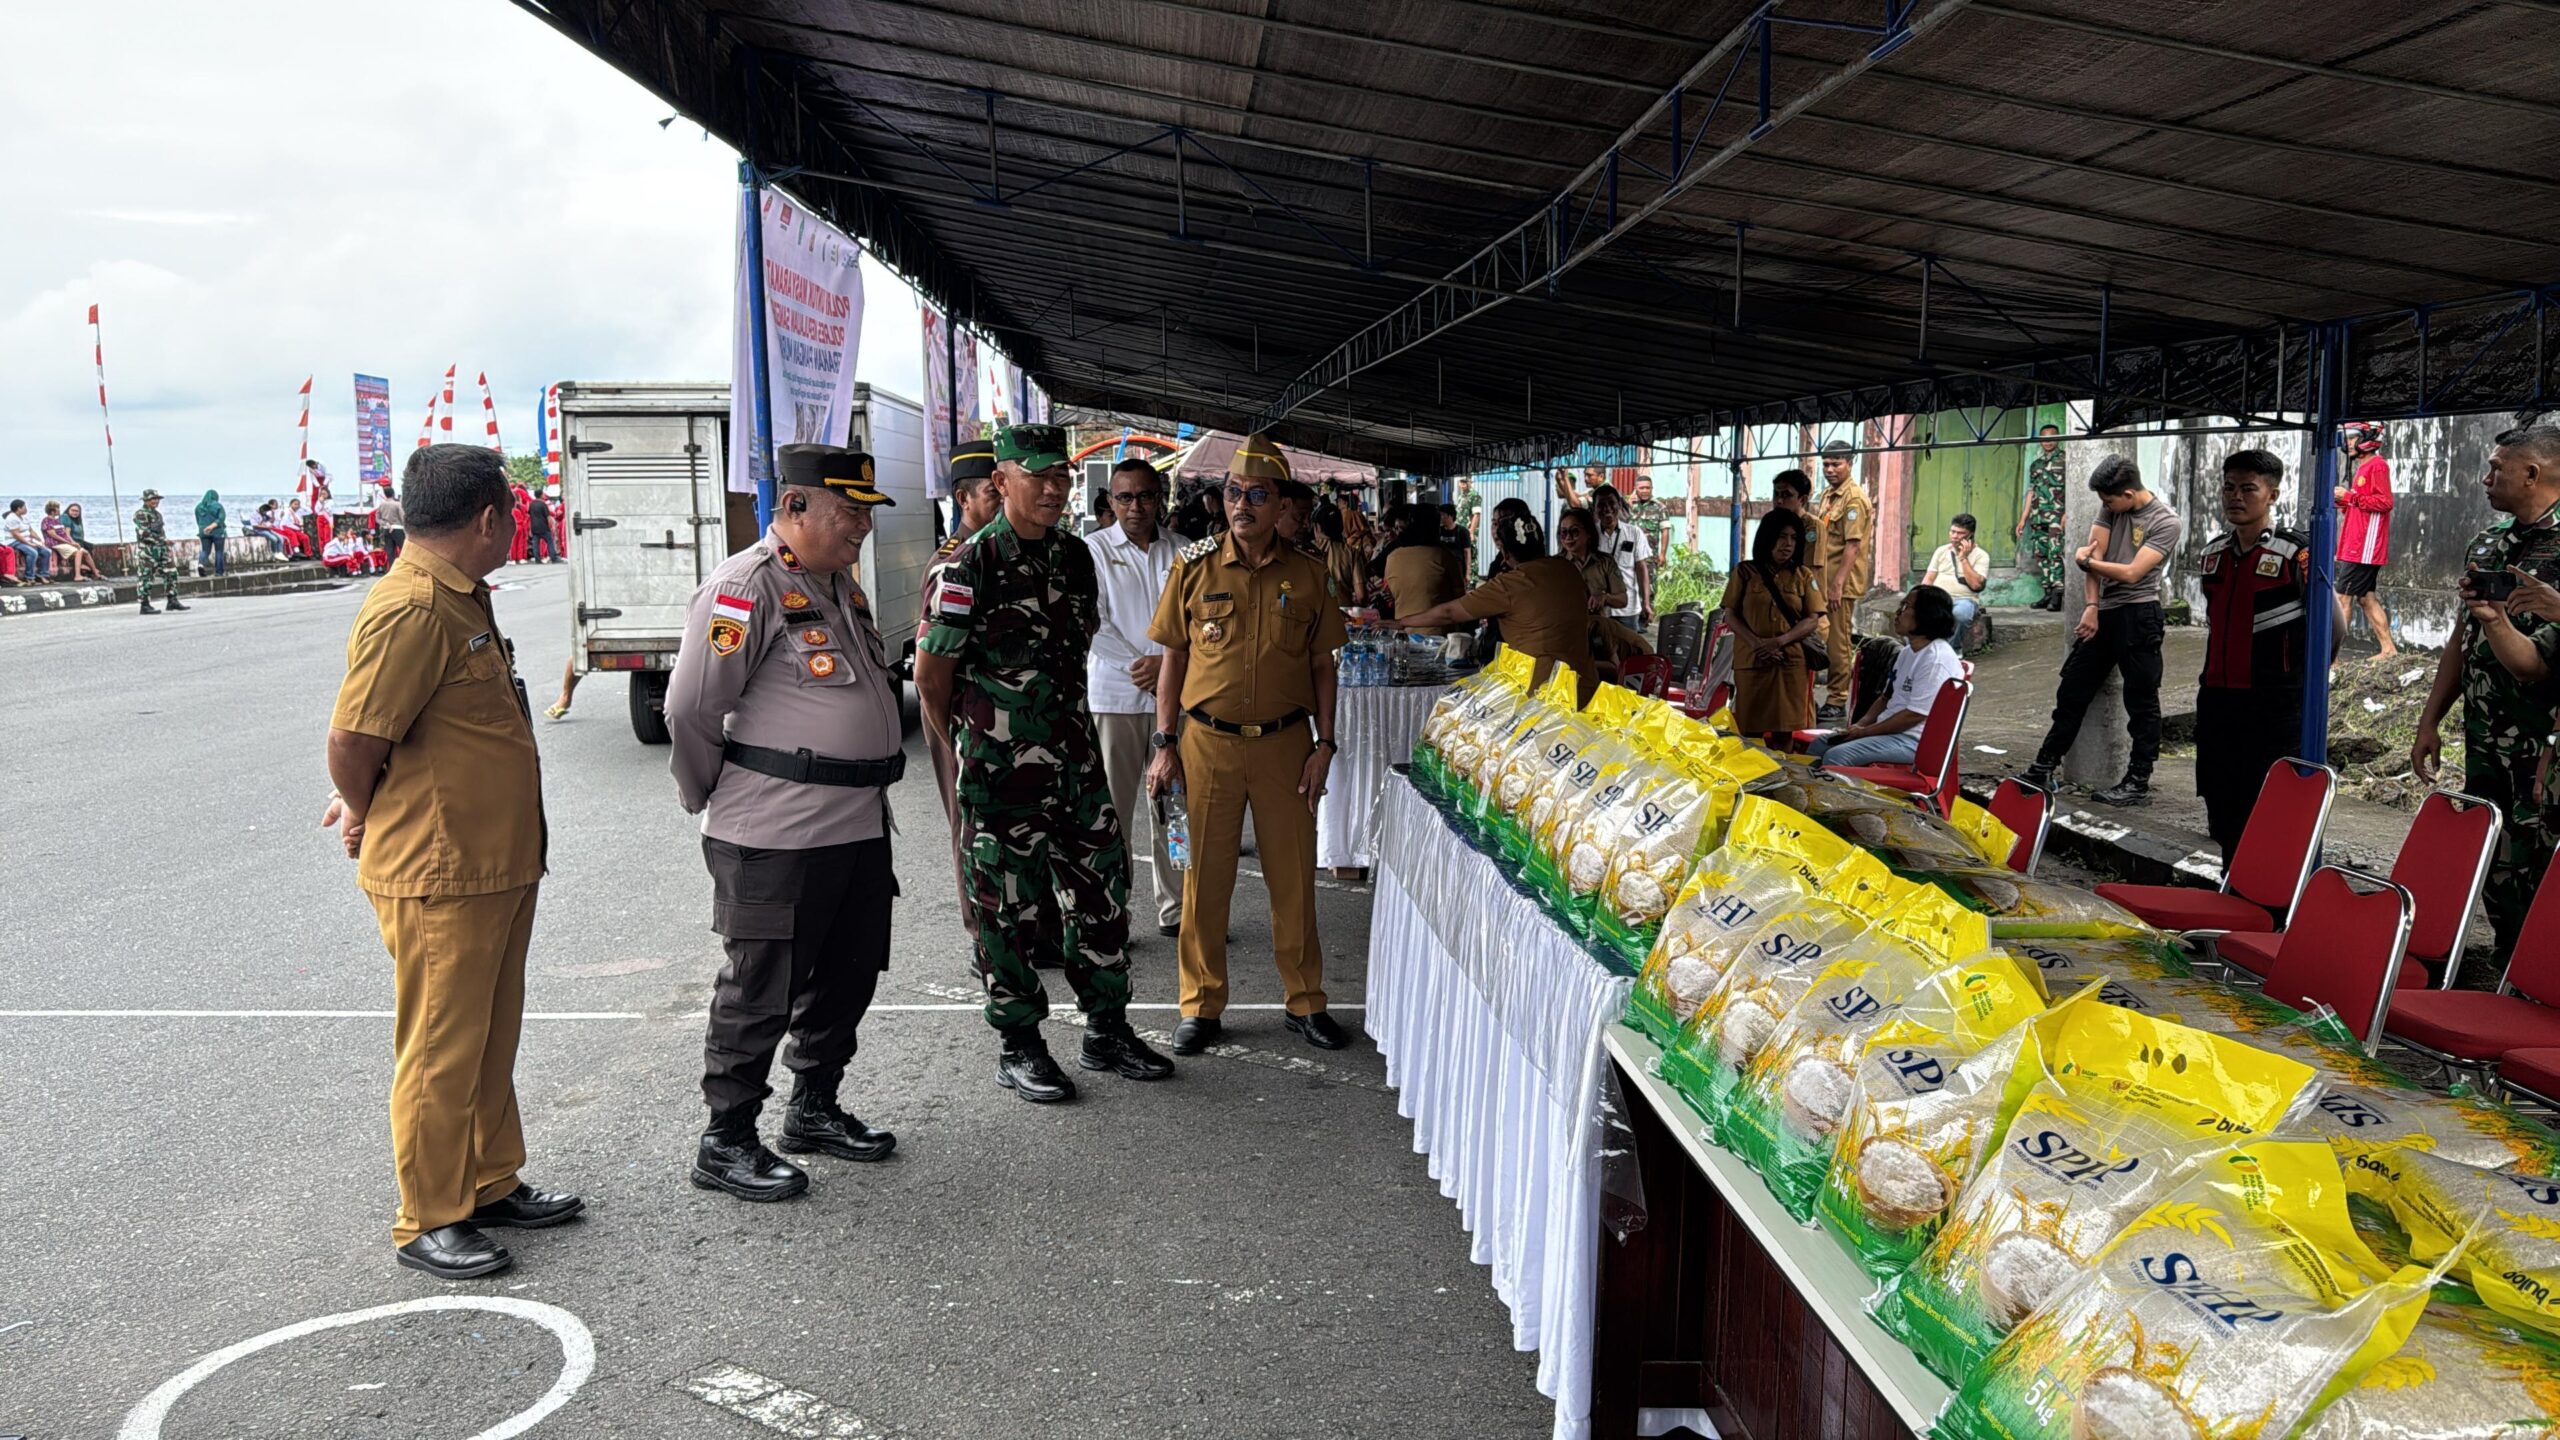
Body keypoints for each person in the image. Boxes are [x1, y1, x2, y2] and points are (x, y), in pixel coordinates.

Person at [321, 443, 578, 1279]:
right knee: (441, 1046)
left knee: (487, 1036)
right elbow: (354, 740)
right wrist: (362, 808)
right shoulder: (413, 608)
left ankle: (489, 1179)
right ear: (488, 518)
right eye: (510, 513)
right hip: (442, 871)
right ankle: (430, 1216)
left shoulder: (459, 595)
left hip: (490, 861)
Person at [664, 443, 907, 1201]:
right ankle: (727, 1139)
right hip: (776, 832)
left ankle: (813, 1108)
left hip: (856, 824)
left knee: (847, 974)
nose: (863, 525)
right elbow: (691, 708)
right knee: (760, 989)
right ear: (795, 505)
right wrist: (709, 794)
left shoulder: (839, 586)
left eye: (866, 511)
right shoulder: (745, 587)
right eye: (849, 510)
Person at [917, 422, 1175, 1103]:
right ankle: (1020, 1045)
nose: (1054, 488)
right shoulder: (965, 566)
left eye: (1061, 475)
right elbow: (932, 680)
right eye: (1038, 476)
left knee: (1103, 895)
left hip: (1076, 763)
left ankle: (1106, 1029)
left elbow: (1077, 646)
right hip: (1000, 776)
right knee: (1007, 911)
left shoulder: (1073, 557)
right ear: (1001, 482)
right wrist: (971, 754)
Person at [1146, 434, 1350, 1056]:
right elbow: (1173, 660)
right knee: (1202, 879)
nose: (1243, 505)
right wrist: (1164, 743)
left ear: (1282, 504)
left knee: (1294, 879)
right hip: (1205, 746)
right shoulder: (1194, 567)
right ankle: (1200, 1004)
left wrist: (1325, 746)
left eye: (1258, 495)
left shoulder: (1309, 575)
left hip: (1287, 746)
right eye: (1234, 492)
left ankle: (1305, 1001)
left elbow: (1323, 667)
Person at [2414, 419, 2560, 962]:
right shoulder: (2490, 541)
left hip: (2542, 745)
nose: (2485, 478)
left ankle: (2533, 978)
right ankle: (2504, 964)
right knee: (2494, 858)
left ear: (2532, 473)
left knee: (2541, 867)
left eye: (2497, 468)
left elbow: (2532, 667)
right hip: (2485, 738)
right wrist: (2431, 719)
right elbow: (2463, 638)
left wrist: (2497, 620)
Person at [2017, 454, 2180, 805]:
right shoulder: (2110, 508)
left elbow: (2131, 573)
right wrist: (2091, 606)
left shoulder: (2166, 521)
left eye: (2109, 500)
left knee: (2142, 701)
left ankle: (2137, 782)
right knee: (2072, 689)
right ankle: (2043, 767)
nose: (2104, 506)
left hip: (2140, 615)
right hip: (2105, 612)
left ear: (2129, 493)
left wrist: (2087, 561)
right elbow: (2094, 559)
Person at [2194, 449, 2326, 861]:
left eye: (2248, 488)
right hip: (2217, 700)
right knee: (2221, 804)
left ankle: (2268, 894)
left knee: (2268, 807)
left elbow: (2332, 626)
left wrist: (2305, 678)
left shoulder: (2295, 553)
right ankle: (2230, 884)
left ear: (2272, 495)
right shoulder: (2213, 553)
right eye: (2229, 488)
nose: (2235, 496)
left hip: (2273, 704)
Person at [1085, 455, 1190, 939]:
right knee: (1113, 812)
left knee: (1176, 810)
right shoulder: (1091, 551)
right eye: (1125, 497)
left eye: (1145, 496)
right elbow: (1094, 623)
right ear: (1110, 501)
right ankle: (1113, 911)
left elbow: (1198, 622)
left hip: (1177, 701)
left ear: (1160, 499)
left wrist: (1166, 667)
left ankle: (1180, 907)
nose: (1135, 506)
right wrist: (1148, 665)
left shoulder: (1186, 551)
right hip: (1115, 699)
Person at [919, 443, 1004, 936]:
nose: (1002, 501)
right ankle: (979, 931)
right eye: (993, 492)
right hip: (957, 712)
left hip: (995, 714)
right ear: (964, 498)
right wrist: (950, 732)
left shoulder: (999, 551)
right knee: (968, 820)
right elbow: (930, 676)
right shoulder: (952, 562)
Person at [1386, 509, 1596, 703]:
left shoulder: (1509, 584)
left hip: (1543, 694)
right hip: (1586, 686)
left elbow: (1449, 612)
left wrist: (1403, 622)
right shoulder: (1568, 569)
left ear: (1505, 553)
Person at [1812, 586, 1964, 769]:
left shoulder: (1935, 660)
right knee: (1820, 745)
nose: (1898, 613)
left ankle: (1836, 789)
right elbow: (1885, 697)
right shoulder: (1907, 652)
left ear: (1927, 614)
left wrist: (1865, 732)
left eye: (1906, 607)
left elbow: (1914, 715)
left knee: (1838, 755)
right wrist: (1858, 726)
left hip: (1914, 739)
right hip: (1891, 733)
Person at [1717, 508, 1825, 745]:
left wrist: (1778, 642)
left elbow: (1812, 619)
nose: (1788, 544)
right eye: (1782, 537)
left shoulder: (1803, 575)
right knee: (1749, 732)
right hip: (1752, 660)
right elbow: (1731, 615)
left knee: (1784, 732)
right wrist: (1758, 645)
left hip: (1789, 662)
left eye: (1793, 538)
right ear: (1768, 537)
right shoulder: (1745, 572)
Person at [1811, 440, 1871, 719]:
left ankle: (1837, 699)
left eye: (1836, 464)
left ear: (1850, 463)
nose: (1830, 469)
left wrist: (1837, 585)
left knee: (1838, 642)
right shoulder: (1828, 495)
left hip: (1840, 584)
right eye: (1826, 464)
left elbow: (1853, 545)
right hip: (1823, 580)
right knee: (1818, 633)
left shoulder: (1853, 499)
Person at [2333, 421, 2400, 664]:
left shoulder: (2377, 466)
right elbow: (2359, 504)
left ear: (2367, 438)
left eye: (2353, 437)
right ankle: (2388, 649)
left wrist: (2350, 497)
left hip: (2363, 547)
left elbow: (2385, 502)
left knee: (2343, 598)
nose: (2348, 443)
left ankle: (2332, 658)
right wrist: (2345, 501)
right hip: (2358, 544)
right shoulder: (2363, 467)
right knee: (2366, 598)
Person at [1381, 503, 1467, 633]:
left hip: (1403, 634)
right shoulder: (1444, 556)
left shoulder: (1392, 557)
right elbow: (1460, 599)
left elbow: (1391, 594)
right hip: (1439, 636)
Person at [1589, 483, 1656, 639]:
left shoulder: (1634, 533)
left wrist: (1646, 603)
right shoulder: (1590, 535)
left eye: (1611, 503)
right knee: (1599, 651)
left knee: (1628, 650)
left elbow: (1641, 569)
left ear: (1619, 504)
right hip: (1598, 609)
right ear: (1595, 508)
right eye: (1601, 504)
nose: (1607, 508)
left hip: (1628, 609)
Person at [2015, 424, 2066, 610]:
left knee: (2055, 553)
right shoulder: (2036, 465)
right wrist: (2023, 519)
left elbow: (2073, 488)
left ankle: (2057, 594)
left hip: (2057, 516)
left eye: (2052, 437)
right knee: (2042, 555)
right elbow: (2031, 492)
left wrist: (2068, 513)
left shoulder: (2066, 460)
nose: (2048, 441)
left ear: (2058, 438)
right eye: (2044, 438)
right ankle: (2047, 592)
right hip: (2038, 517)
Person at [1921, 513, 1988, 641]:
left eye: (1960, 533)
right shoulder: (1941, 551)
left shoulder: (1981, 556)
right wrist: (1921, 597)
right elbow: (1929, 578)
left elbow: (1976, 585)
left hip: (1964, 600)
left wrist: (1963, 558)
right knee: (1914, 615)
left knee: (1960, 614)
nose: (1954, 536)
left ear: (1970, 535)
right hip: (1939, 598)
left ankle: (1952, 649)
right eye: (1953, 531)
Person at [131, 489, 187, 614]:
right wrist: (161, 540)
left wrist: (165, 541)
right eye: (152, 499)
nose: (155, 501)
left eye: (157, 499)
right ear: (146, 500)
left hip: (161, 549)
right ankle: (144, 604)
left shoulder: (157, 514)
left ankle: (172, 600)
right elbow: (144, 533)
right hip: (148, 551)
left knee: (171, 572)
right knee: (146, 576)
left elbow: (160, 532)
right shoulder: (140, 514)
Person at [42, 502, 98, 581]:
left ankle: (96, 573)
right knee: (79, 552)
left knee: (85, 552)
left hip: (63, 543)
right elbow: (53, 535)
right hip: (55, 543)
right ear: (52, 511)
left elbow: (64, 533)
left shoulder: (57, 521)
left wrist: (72, 542)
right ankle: (77, 576)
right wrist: (68, 542)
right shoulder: (47, 521)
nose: (59, 510)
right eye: (57, 508)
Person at [4, 500, 52, 583]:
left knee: (46, 551)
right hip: (15, 541)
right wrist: (29, 543)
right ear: (19, 508)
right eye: (24, 507)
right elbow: (16, 534)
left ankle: (42, 575)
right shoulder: (11, 518)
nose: (26, 509)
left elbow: (31, 531)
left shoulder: (24, 518)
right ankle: (29, 577)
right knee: (32, 552)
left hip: (27, 540)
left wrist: (40, 540)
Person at [1628, 475, 1672, 558]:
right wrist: (1629, 507)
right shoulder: (1628, 505)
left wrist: (1662, 554)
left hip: (1649, 556)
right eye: (1641, 488)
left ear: (1652, 488)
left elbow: (1665, 531)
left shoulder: (1660, 507)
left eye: (1648, 488)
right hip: (1629, 555)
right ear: (1635, 489)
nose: (1645, 491)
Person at [194, 490, 228, 579]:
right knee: (219, 551)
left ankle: (201, 564)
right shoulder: (218, 506)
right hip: (217, 532)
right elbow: (221, 518)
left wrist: (204, 528)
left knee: (205, 550)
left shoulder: (198, 507)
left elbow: (198, 521)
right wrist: (212, 526)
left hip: (204, 532)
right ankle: (219, 572)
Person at [525, 485, 560, 563]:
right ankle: (554, 558)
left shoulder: (531, 504)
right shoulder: (543, 504)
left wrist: (530, 529)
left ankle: (537, 559)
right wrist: (551, 526)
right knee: (550, 542)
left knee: (535, 544)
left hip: (534, 527)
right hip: (543, 526)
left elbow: (530, 517)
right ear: (541, 495)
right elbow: (548, 516)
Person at [377, 487, 407, 562]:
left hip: (386, 529)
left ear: (385, 494)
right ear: (393, 494)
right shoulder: (397, 504)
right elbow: (402, 517)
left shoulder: (381, 505)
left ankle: (391, 568)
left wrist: (385, 523)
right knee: (403, 550)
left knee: (390, 552)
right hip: (398, 529)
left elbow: (377, 519)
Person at [1455, 475, 1481, 554]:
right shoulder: (1461, 495)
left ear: (1470, 482)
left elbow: (1476, 515)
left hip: (1468, 531)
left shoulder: (1474, 495)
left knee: (1470, 554)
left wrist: (1471, 532)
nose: (1462, 484)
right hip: (1460, 530)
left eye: (1465, 482)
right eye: (1461, 482)